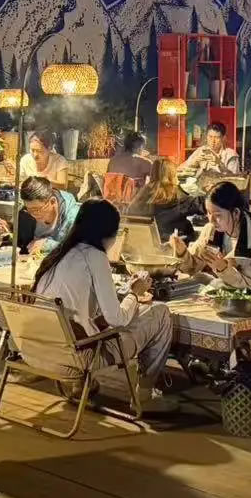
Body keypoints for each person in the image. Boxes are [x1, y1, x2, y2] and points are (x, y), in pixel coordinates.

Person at [33, 199, 174, 389]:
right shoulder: (95, 256)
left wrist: (128, 293)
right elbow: (117, 319)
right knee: (160, 312)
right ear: (109, 233)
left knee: (124, 315)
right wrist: (135, 293)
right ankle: (145, 392)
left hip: (37, 351)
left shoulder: (59, 254)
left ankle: (80, 387)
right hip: (78, 357)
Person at [173, 181, 251, 297]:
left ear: (235, 213)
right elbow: (193, 267)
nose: (211, 220)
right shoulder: (211, 230)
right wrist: (182, 252)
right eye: (208, 213)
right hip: (233, 294)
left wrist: (223, 269)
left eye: (218, 215)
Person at [124, 157, 197, 241]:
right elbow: (199, 205)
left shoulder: (141, 195)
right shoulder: (176, 197)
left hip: (143, 244)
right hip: (172, 245)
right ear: (172, 175)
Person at [15, 176, 79, 255]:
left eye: (37, 209)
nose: (33, 214)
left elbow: (77, 250)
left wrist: (47, 245)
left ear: (52, 201)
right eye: (29, 209)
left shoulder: (73, 216)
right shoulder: (25, 208)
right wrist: (10, 228)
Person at [104, 132, 153, 201]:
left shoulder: (112, 161)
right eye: (144, 146)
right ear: (140, 146)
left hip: (113, 202)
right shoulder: (144, 162)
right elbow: (159, 182)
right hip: (133, 204)